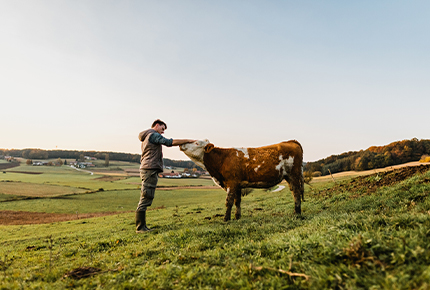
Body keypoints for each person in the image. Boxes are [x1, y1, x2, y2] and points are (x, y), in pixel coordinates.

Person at [136, 119, 195, 233]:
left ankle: (142, 226)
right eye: (162, 129)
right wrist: (187, 140)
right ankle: (140, 227)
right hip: (149, 169)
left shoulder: (147, 136)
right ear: (156, 126)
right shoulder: (153, 135)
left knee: (147, 196)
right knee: (146, 197)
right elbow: (169, 142)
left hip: (148, 169)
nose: (163, 132)